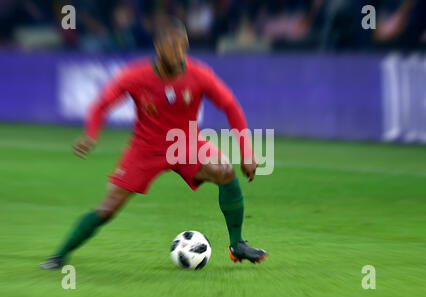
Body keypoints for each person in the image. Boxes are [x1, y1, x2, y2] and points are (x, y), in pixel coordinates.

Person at [41, 17, 267, 269]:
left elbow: (231, 106)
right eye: (173, 48)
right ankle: (59, 255)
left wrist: (247, 151)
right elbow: (101, 104)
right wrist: (91, 134)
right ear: (158, 48)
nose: (179, 54)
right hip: (146, 147)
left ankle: (237, 244)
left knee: (224, 170)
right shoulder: (135, 76)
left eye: (183, 47)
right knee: (108, 208)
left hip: (185, 143)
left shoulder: (199, 74)